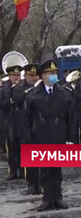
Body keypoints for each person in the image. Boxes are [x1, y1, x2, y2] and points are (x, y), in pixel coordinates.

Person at [21, 59, 76, 211]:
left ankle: (58, 198)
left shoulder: (64, 93)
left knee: (56, 170)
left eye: (55, 72)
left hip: (58, 136)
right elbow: (26, 119)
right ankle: (47, 199)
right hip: (41, 136)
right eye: (50, 73)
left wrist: (71, 139)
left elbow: (71, 118)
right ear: (43, 76)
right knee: (44, 170)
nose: (54, 75)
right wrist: (28, 140)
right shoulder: (32, 95)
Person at [15, 64, 40, 194]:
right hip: (25, 126)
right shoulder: (20, 88)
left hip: (39, 126)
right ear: (26, 76)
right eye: (31, 75)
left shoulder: (40, 88)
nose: (33, 78)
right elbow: (17, 100)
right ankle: (31, 184)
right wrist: (30, 90)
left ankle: (40, 183)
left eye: (35, 75)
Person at [1, 64, 23, 180]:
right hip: (9, 122)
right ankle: (13, 171)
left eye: (18, 75)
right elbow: (2, 104)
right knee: (11, 148)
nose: (16, 77)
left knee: (22, 147)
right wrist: (11, 101)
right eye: (14, 75)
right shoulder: (4, 88)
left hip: (21, 122)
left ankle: (23, 170)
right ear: (9, 76)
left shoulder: (23, 86)